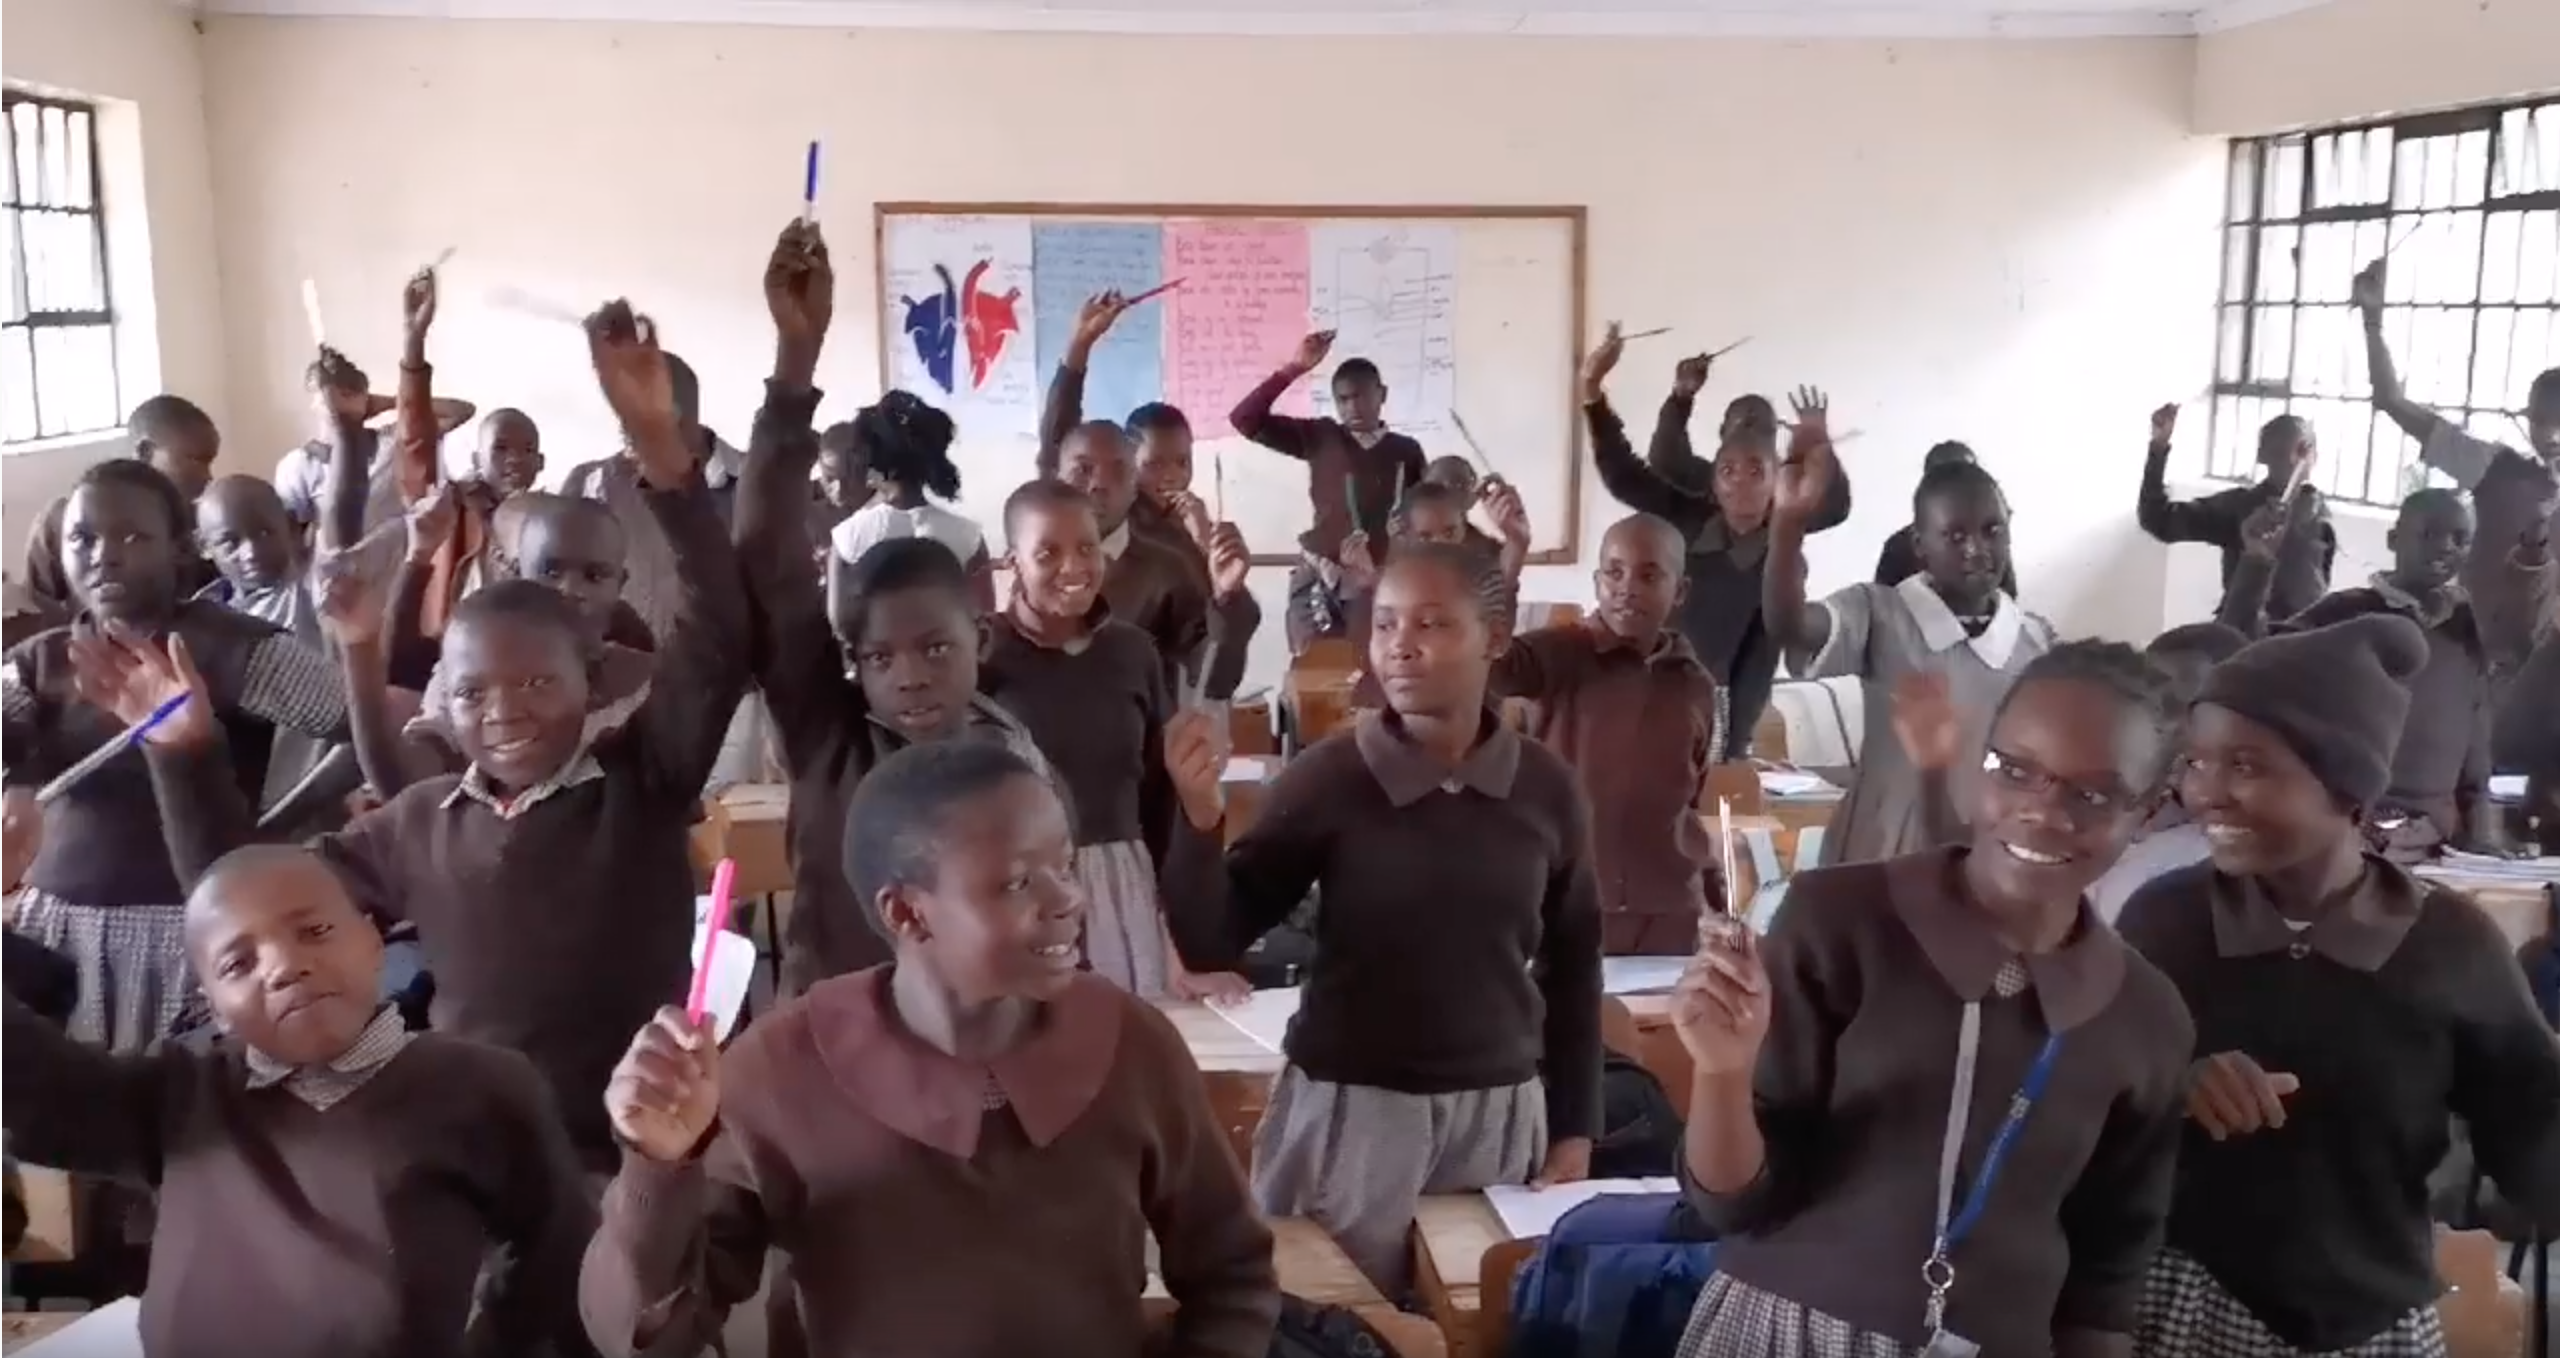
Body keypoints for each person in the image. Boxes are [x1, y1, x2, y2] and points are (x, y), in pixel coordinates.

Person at [113, 297, 753, 1172]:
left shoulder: (642, 782)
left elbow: (717, 639)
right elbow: (240, 894)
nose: (504, 710)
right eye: (473, 690)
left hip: (640, 1145)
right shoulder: (418, 823)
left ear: (593, 682)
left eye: (537, 683)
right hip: (478, 1153)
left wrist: (666, 461)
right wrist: (184, 753)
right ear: (444, 699)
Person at [578, 740, 1281, 1358]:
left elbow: (1234, 1273)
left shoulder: (1131, 1042)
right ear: (907, 913)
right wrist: (657, 1167)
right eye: (1017, 882)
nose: (1067, 899)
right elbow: (640, 1337)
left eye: (1064, 866)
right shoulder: (781, 1069)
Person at [1668, 640, 2194, 1358]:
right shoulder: (1839, 921)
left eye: (2093, 795)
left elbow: (2107, 1279)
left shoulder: (2146, 1017)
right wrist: (1722, 1072)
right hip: (1790, 1333)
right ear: (1981, 765)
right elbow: (1731, 1205)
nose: (2043, 812)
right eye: (2016, 771)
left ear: (2151, 811)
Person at [1161, 540, 1604, 1296]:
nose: (1400, 645)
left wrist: (1575, 1126)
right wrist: (1200, 820)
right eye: (1387, 623)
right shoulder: (1331, 778)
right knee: (1343, 1325)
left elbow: (1574, 964)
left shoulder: (1546, 788)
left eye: (1431, 624)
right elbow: (1213, 941)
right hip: (1355, 1116)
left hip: (1499, 1114)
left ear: (1495, 638)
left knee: (1473, 1324)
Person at [2116, 614, 2560, 1356]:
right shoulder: (2164, 922)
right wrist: (2172, 1087)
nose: (2204, 793)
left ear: (2348, 785)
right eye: (2195, 762)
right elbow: (2085, 1095)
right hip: (2184, 1302)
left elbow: (2530, 1122)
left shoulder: (2447, 944)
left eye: (2245, 766)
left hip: (2372, 1317)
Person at [1, 843, 595, 1358]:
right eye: (239, 963)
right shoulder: (179, 1094)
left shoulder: (479, 1087)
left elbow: (555, 1255)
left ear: (373, 940)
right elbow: (40, 1090)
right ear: (213, 1005)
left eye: (314, 932)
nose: (284, 967)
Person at [726, 231, 1055, 991]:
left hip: (983, 1027)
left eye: (935, 649)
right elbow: (769, 560)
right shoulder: (830, 740)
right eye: (879, 657)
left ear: (981, 638)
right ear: (852, 656)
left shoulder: (1016, 755)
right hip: (836, 1030)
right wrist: (796, 361)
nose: (907, 676)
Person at [2, 458, 351, 1052]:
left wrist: (280, 823)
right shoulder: (43, 658)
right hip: (54, 934)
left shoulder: (234, 648)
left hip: (186, 934)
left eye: (133, 537)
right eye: (82, 538)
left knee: (176, 1094)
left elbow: (362, 729)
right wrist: (18, 781)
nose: (103, 556)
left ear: (181, 550)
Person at [1764, 394, 2054, 865]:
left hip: (1982, 861)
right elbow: (1788, 624)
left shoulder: (2036, 642)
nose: (1976, 549)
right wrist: (1787, 523)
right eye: (1955, 535)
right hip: (1879, 853)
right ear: (1919, 545)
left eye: (1992, 531)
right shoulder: (1881, 613)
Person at [985, 478, 1242, 1002]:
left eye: (1086, 548)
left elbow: (1159, 806)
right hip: (1022, 894)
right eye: (1047, 553)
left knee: (1121, 1035)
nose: (1073, 567)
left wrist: (1177, 957)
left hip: (1125, 893)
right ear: (1013, 562)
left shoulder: (1132, 652)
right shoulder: (982, 658)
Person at [1581, 333, 1851, 760]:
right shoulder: (1691, 515)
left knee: (1720, 786)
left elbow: (1834, 506)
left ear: (1777, 476)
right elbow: (1625, 473)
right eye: (1728, 471)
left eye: (1755, 471)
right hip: (1661, 694)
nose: (1740, 482)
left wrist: (1819, 449)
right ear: (1713, 481)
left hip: (1733, 715)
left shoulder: (1786, 529)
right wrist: (1593, 393)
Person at [2227, 487, 2506, 857]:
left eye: (2460, 538)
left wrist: (2482, 833)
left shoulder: (2464, 629)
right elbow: (2246, 656)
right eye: (2428, 533)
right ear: (2393, 539)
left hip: (2432, 839)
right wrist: (2257, 561)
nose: (2444, 547)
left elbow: (2476, 736)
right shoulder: (2346, 613)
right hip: (2352, 828)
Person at [1494, 512, 1724, 954]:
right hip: (1567, 905)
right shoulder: (1562, 653)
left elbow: (1691, 796)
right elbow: (1495, 664)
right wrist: (1513, 557)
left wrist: (1716, 903)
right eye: (1614, 573)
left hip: (1667, 915)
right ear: (1597, 581)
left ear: (1680, 591)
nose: (1627, 587)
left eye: (1649, 575)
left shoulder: (1693, 684)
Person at [369, 490, 655, 794]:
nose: (570, 589)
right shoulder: (473, 663)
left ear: (620, 583)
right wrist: (357, 647)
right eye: (551, 571)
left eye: (594, 576)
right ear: (517, 572)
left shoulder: (643, 671)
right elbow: (411, 773)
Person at [2357, 256, 2560, 673]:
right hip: (2476, 657)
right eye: (2541, 420)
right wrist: (2372, 321)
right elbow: (2392, 402)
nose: (2552, 435)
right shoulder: (2496, 468)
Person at [192, 474, 364, 834]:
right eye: (230, 542)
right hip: (237, 800)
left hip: (309, 794)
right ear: (203, 546)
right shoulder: (203, 617)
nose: (251, 552)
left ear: (289, 526)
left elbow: (342, 513)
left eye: (264, 532)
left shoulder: (313, 592)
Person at [2085, 622, 2248, 922]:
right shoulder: (2119, 796)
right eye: (2149, 700)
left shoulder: (2226, 857)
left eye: (2179, 704)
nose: (2160, 722)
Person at [19, 398, 225, 629]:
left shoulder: (199, 524)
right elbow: (37, 610)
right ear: (146, 452)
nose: (207, 476)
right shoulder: (61, 521)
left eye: (135, 538)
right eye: (196, 460)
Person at [1232, 329, 1429, 562]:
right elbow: (1245, 419)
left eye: (1361, 396)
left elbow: (1426, 510)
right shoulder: (1321, 437)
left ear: (1382, 394)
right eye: (1343, 400)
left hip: (1386, 569)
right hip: (1325, 569)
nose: (1353, 407)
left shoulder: (1407, 451)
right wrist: (1295, 367)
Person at [2136, 402, 2333, 623]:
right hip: (2245, 632)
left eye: (2302, 449)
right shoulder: (2239, 507)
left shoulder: (2320, 517)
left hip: (2300, 636)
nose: (2292, 459)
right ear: (2262, 455)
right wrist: (2158, 448)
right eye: (2280, 450)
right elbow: (2159, 519)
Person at [826, 390, 996, 607]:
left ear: (873, 463)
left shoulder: (848, 538)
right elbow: (984, 612)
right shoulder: (968, 537)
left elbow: (840, 620)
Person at [1875, 442, 2020, 597]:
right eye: (1956, 537)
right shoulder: (1898, 548)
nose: (1978, 549)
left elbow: (2008, 598)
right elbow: (1881, 603)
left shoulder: (1993, 540)